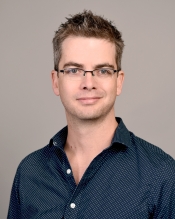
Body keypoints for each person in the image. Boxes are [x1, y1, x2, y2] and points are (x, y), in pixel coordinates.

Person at [8, 10, 175, 219]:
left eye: (103, 70)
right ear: (55, 81)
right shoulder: (30, 172)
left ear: (119, 81)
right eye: (73, 70)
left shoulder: (161, 174)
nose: (88, 84)